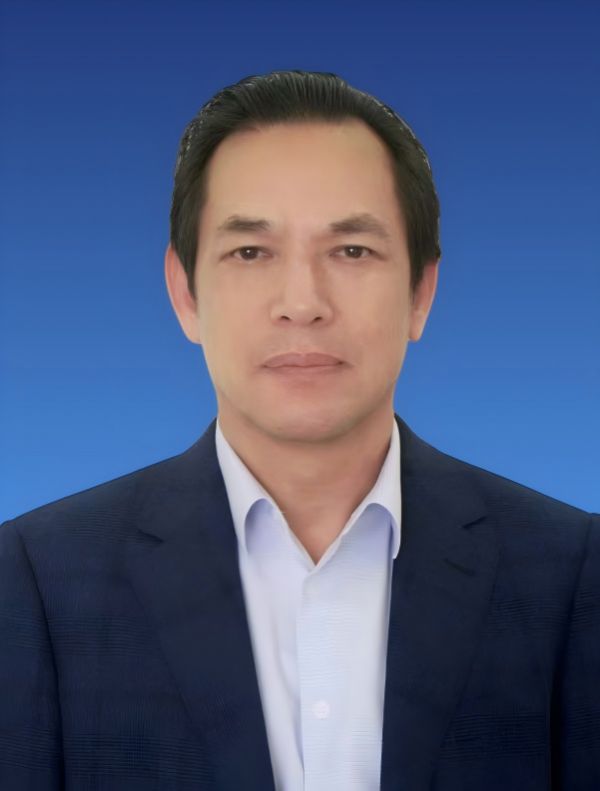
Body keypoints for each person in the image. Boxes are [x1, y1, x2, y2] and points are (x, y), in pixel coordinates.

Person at [0, 70, 598, 791]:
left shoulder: (570, 572)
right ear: (185, 294)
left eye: (352, 251)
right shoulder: (39, 580)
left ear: (421, 292)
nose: (303, 302)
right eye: (251, 252)